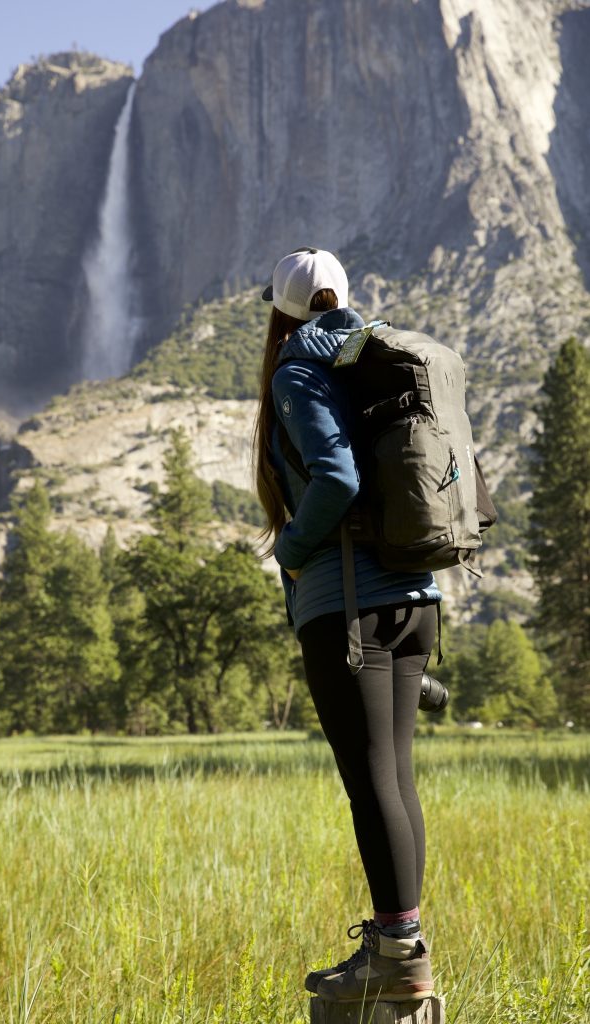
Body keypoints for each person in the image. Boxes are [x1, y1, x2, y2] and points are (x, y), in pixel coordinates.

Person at [253, 247, 441, 1004]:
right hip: (414, 597)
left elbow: (335, 478)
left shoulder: (298, 370)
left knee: (371, 784)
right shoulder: (372, 358)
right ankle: (404, 944)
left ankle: (394, 952)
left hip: (349, 603)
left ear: (281, 310)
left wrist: (291, 553)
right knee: (394, 777)